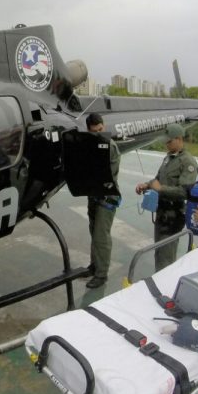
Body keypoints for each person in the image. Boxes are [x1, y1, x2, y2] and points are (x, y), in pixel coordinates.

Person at [135, 123, 198, 271]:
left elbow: (185, 192)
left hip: (173, 216)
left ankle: (164, 290)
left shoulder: (187, 161)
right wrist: (147, 184)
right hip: (162, 213)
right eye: (166, 142)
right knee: (160, 252)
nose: (166, 145)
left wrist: (160, 189)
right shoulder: (168, 158)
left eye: (169, 141)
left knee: (166, 257)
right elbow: (158, 178)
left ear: (179, 139)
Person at [83, 113, 121, 289]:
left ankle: (101, 275)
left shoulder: (110, 146)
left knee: (101, 237)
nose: (98, 133)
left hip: (107, 197)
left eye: (100, 130)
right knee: (93, 233)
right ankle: (94, 266)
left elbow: (107, 176)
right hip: (94, 195)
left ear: (103, 126)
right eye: (94, 131)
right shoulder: (89, 145)